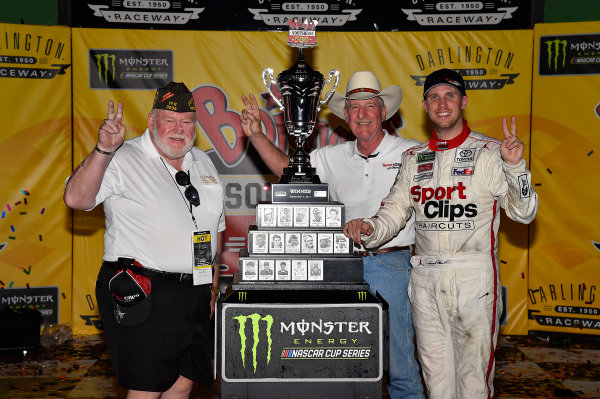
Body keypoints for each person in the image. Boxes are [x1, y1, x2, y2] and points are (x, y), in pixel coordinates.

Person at [344, 68, 539, 399]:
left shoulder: (491, 153)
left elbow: (524, 212)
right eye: (434, 96)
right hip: (425, 281)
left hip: (473, 279)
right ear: (425, 106)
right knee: (436, 384)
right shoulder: (414, 158)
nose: (442, 103)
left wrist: (516, 166)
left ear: (464, 102)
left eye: (450, 95)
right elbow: (393, 212)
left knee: (474, 383)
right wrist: (370, 229)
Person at [240, 70, 424, 398]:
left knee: (400, 364)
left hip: (393, 265)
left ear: (384, 112)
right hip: (342, 267)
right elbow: (290, 171)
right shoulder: (329, 156)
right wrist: (256, 136)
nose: (362, 113)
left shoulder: (412, 152)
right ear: (346, 116)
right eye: (354, 107)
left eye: (370, 106)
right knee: (343, 357)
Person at [63, 82, 225, 399]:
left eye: (187, 122)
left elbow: (212, 228)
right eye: (170, 120)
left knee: (183, 384)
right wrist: (104, 150)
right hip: (143, 289)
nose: (180, 129)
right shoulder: (123, 158)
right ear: (151, 121)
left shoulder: (202, 162)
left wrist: (212, 286)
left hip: (195, 291)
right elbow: (76, 198)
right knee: (146, 390)